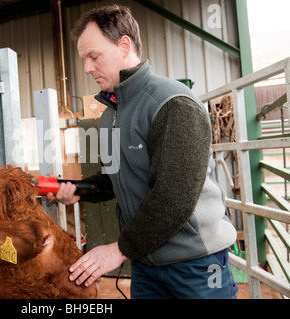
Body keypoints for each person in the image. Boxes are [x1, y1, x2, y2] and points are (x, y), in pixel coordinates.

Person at [46, 5, 238, 299]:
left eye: (93, 57)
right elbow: (113, 179)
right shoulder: (109, 115)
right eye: (84, 59)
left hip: (195, 265)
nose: (86, 68)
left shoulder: (172, 103)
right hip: (146, 264)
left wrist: (120, 249)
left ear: (124, 46)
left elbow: (173, 198)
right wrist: (79, 190)